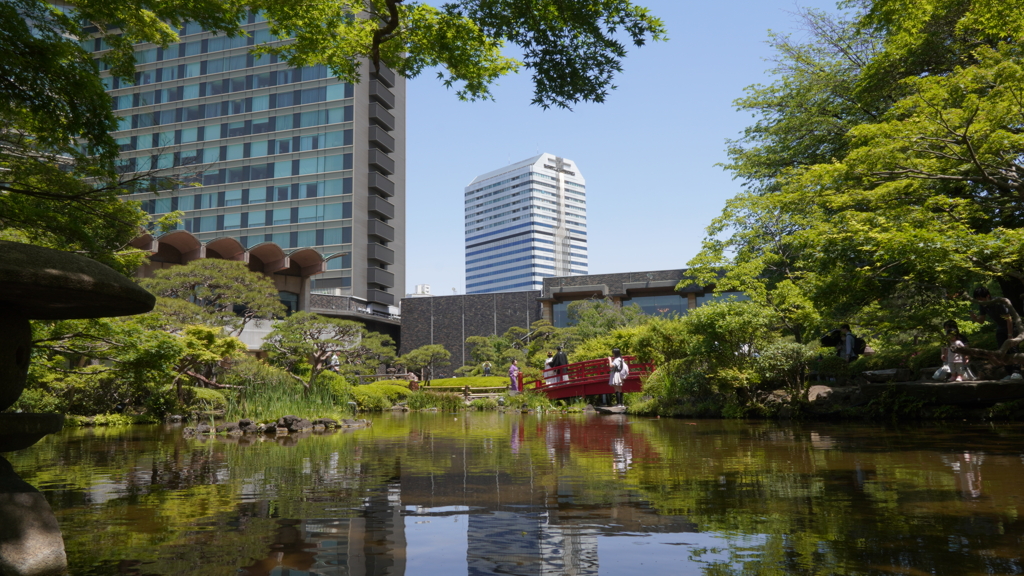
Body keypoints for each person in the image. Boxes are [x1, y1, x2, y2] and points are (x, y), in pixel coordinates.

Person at [970, 287, 1021, 380]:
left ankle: (1016, 372)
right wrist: (974, 318)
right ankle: (1009, 373)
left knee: (1013, 349)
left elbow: (1009, 319)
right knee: (1002, 351)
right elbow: (981, 321)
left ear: (988, 296)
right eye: (977, 299)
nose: (979, 301)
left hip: (1012, 327)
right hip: (1000, 328)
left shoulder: (998, 302)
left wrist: (1010, 335)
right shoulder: (982, 305)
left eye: (981, 298)